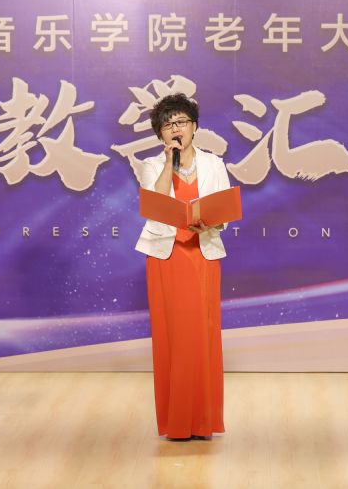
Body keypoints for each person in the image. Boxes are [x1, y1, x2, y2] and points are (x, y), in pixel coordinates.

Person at [135, 93, 230, 441]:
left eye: (181, 122)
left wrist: (212, 221)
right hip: (167, 256)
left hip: (202, 254)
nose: (176, 129)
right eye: (168, 124)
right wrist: (168, 163)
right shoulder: (151, 165)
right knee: (172, 337)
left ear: (194, 126)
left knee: (202, 335)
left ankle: (202, 422)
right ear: (160, 133)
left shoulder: (214, 163)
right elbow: (155, 204)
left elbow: (224, 210)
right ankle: (175, 423)